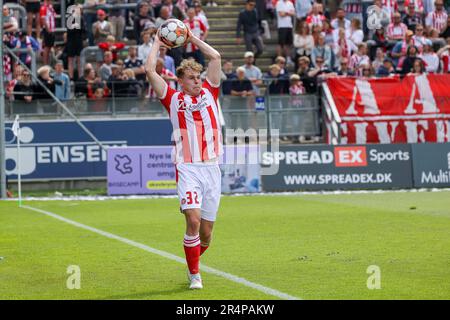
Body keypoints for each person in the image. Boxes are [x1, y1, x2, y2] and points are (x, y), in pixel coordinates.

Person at [145, 28, 223, 290]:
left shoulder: (211, 92)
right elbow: (150, 72)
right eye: (191, 78)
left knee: (207, 235)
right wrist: (157, 42)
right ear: (180, 81)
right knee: (193, 220)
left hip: (212, 168)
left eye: (198, 78)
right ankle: (195, 275)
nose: (197, 82)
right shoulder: (172, 99)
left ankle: (192, 262)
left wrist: (190, 38)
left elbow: (215, 57)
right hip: (187, 167)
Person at [275, 0, 295, 65]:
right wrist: (288, 13)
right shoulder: (279, 3)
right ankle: (279, 59)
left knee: (288, 44)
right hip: (281, 26)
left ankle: (288, 59)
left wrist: (286, 13)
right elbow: (281, 14)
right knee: (280, 44)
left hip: (289, 26)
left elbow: (293, 13)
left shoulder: (290, 3)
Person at [40, 0, 56, 66]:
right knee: (46, 47)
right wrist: (47, 29)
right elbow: (43, 19)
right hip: (47, 30)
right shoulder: (44, 8)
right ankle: (45, 64)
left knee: (49, 47)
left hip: (52, 30)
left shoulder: (51, 8)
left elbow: (54, 16)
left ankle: (48, 63)